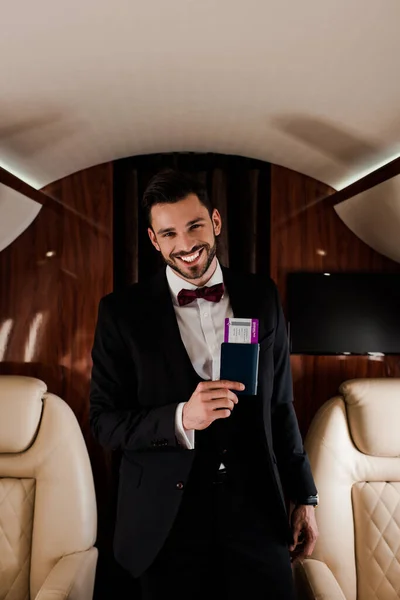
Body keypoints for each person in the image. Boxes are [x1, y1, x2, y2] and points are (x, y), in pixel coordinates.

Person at [89, 168, 319, 600]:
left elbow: (281, 405)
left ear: (215, 221)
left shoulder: (262, 296)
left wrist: (303, 495)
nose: (186, 244)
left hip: (256, 511)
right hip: (166, 521)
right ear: (154, 240)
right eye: (170, 233)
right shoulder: (120, 313)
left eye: (195, 225)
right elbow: (104, 422)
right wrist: (181, 418)